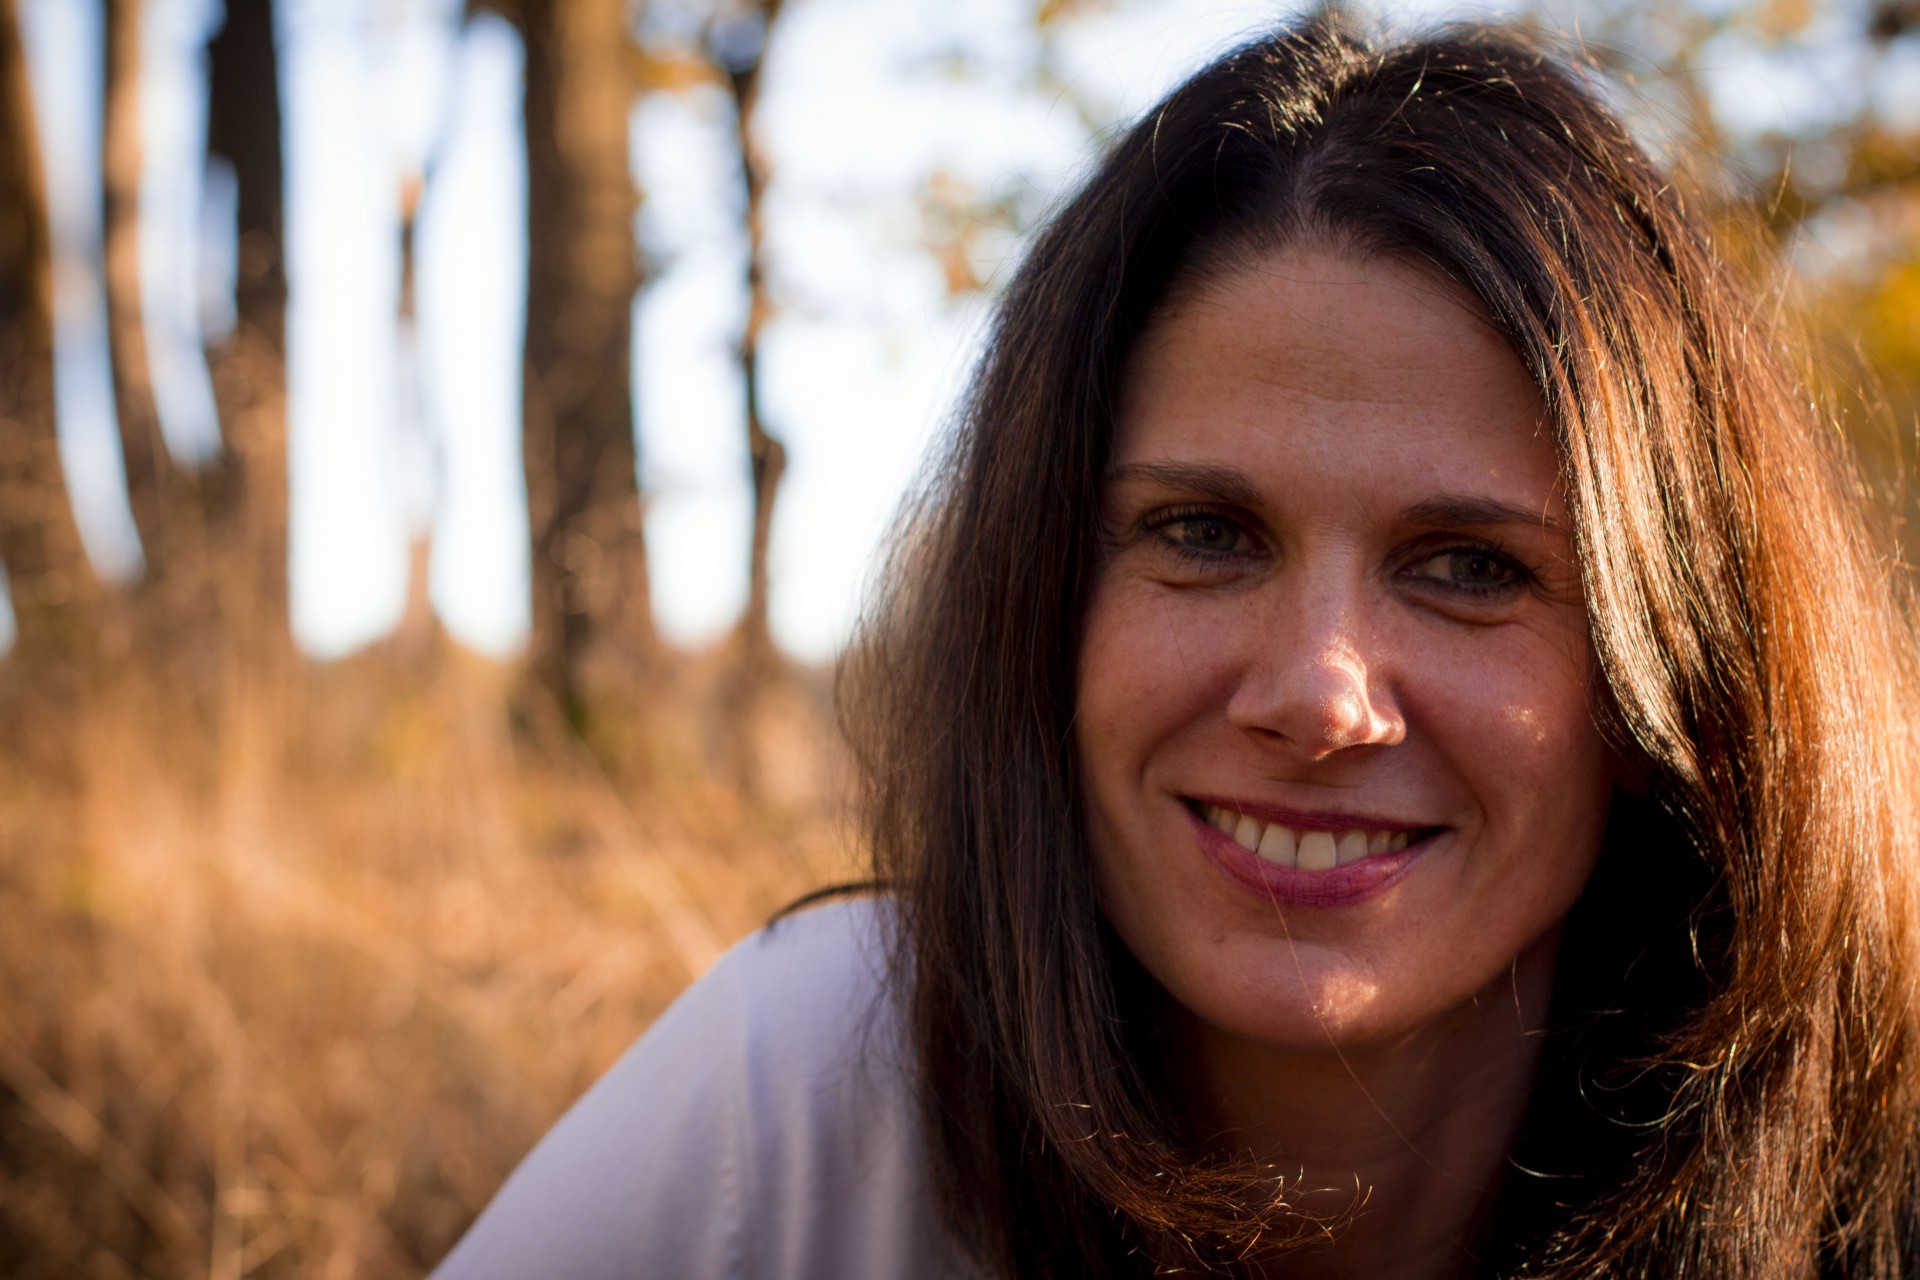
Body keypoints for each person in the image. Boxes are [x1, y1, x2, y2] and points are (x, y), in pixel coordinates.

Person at [433, 14, 1920, 1279]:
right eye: (1204, 533)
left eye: (1472, 568)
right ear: (1046, 605)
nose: (1317, 695)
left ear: (1674, 678)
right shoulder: (816, 1078)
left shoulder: (1872, 1184)